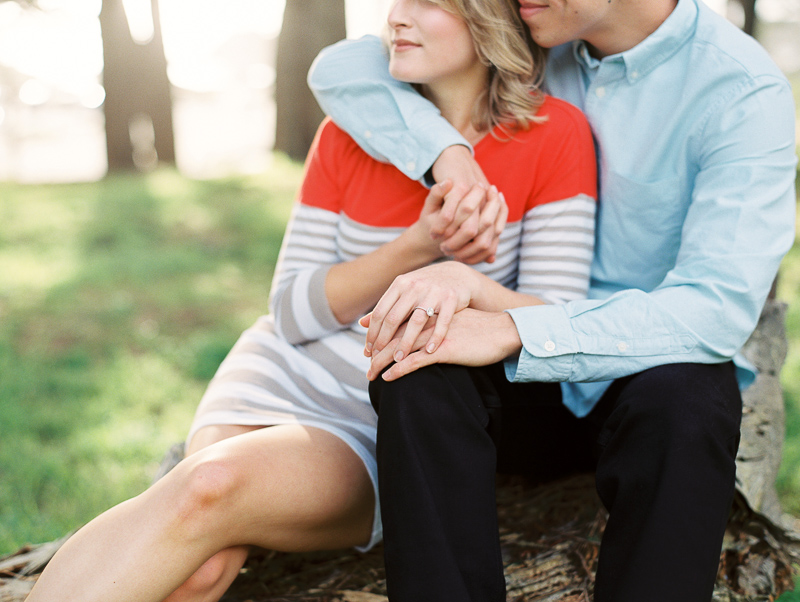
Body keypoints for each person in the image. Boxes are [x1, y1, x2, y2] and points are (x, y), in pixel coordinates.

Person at [24, 1, 597, 601]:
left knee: (210, 484)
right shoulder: (346, 134)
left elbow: (555, 323)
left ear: (489, 20)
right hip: (275, 370)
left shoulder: (553, 134)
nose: (398, 17)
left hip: (378, 413)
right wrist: (416, 246)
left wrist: (465, 281)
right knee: (201, 571)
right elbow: (292, 310)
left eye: (429, 1)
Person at [307, 0, 798, 601]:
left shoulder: (741, 92)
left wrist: (518, 327)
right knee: (419, 366)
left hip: (637, 374)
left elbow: (714, 308)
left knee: (691, 398)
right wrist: (448, 155)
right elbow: (343, 68)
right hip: (514, 389)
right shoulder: (538, 40)